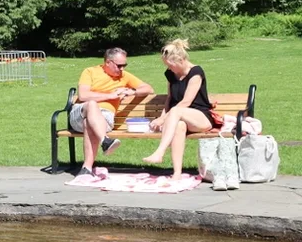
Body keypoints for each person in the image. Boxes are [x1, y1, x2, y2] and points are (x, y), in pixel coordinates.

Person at [142, 39, 222, 179]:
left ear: (181, 60)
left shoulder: (196, 72)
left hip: (200, 117)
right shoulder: (170, 74)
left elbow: (185, 102)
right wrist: (163, 116)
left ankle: (160, 152)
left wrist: (163, 119)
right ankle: (177, 173)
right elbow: (170, 99)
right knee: (178, 125)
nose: (169, 68)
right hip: (178, 117)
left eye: (171, 65)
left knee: (176, 111)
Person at [71, 48, 153, 177]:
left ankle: (86, 168)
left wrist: (133, 91)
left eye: (124, 65)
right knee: (92, 104)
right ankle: (105, 140)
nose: (122, 69)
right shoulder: (90, 72)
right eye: (119, 65)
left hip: (104, 118)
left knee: (90, 123)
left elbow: (148, 88)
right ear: (108, 62)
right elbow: (83, 95)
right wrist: (111, 95)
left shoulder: (124, 76)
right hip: (80, 113)